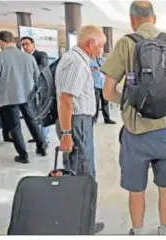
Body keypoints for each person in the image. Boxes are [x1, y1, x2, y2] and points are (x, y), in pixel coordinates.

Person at [101, 0, 166, 235]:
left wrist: (130, 103)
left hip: (135, 134)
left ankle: (138, 232)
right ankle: (163, 230)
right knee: (165, 186)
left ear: (132, 20)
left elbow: (107, 91)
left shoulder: (125, 44)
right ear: (155, 18)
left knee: (137, 190)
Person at [55, 25, 107, 233]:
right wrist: (67, 134)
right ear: (90, 43)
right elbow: (66, 99)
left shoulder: (76, 60)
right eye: (101, 45)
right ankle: (83, 223)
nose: (102, 50)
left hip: (78, 122)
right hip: (76, 123)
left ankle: (78, 217)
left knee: (77, 169)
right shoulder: (76, 62)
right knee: (83, 173)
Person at [0, 30, 47, 163]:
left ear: (1, 42)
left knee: (15, 126)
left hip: (9, 98)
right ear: (13, 41)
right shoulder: (28, 56)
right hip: (28, 95)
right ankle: (42, 147)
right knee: (32, 122)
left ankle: (23, 155)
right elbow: (37, 76)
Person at [20, 36, 51, 144]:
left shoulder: (41, 55)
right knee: (33, 114)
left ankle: (45, 139)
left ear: (33, 44)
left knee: (42, 113)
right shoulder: (23, 57)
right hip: (29, 90)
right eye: (23, 44)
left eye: (27, 44)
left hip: (41, 89)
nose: (24, 46)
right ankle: (37, 136)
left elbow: (41, 68)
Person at [90, 56, 116, 124]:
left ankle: (107, 119)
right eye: (98, 52)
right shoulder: (91, 62)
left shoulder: (103, 61)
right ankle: (94, 119)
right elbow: (87, 71)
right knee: (96, 103)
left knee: (105, 103)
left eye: (100, 52)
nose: (99, 54)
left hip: (104, 85)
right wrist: (92, 70)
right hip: (95, 85)